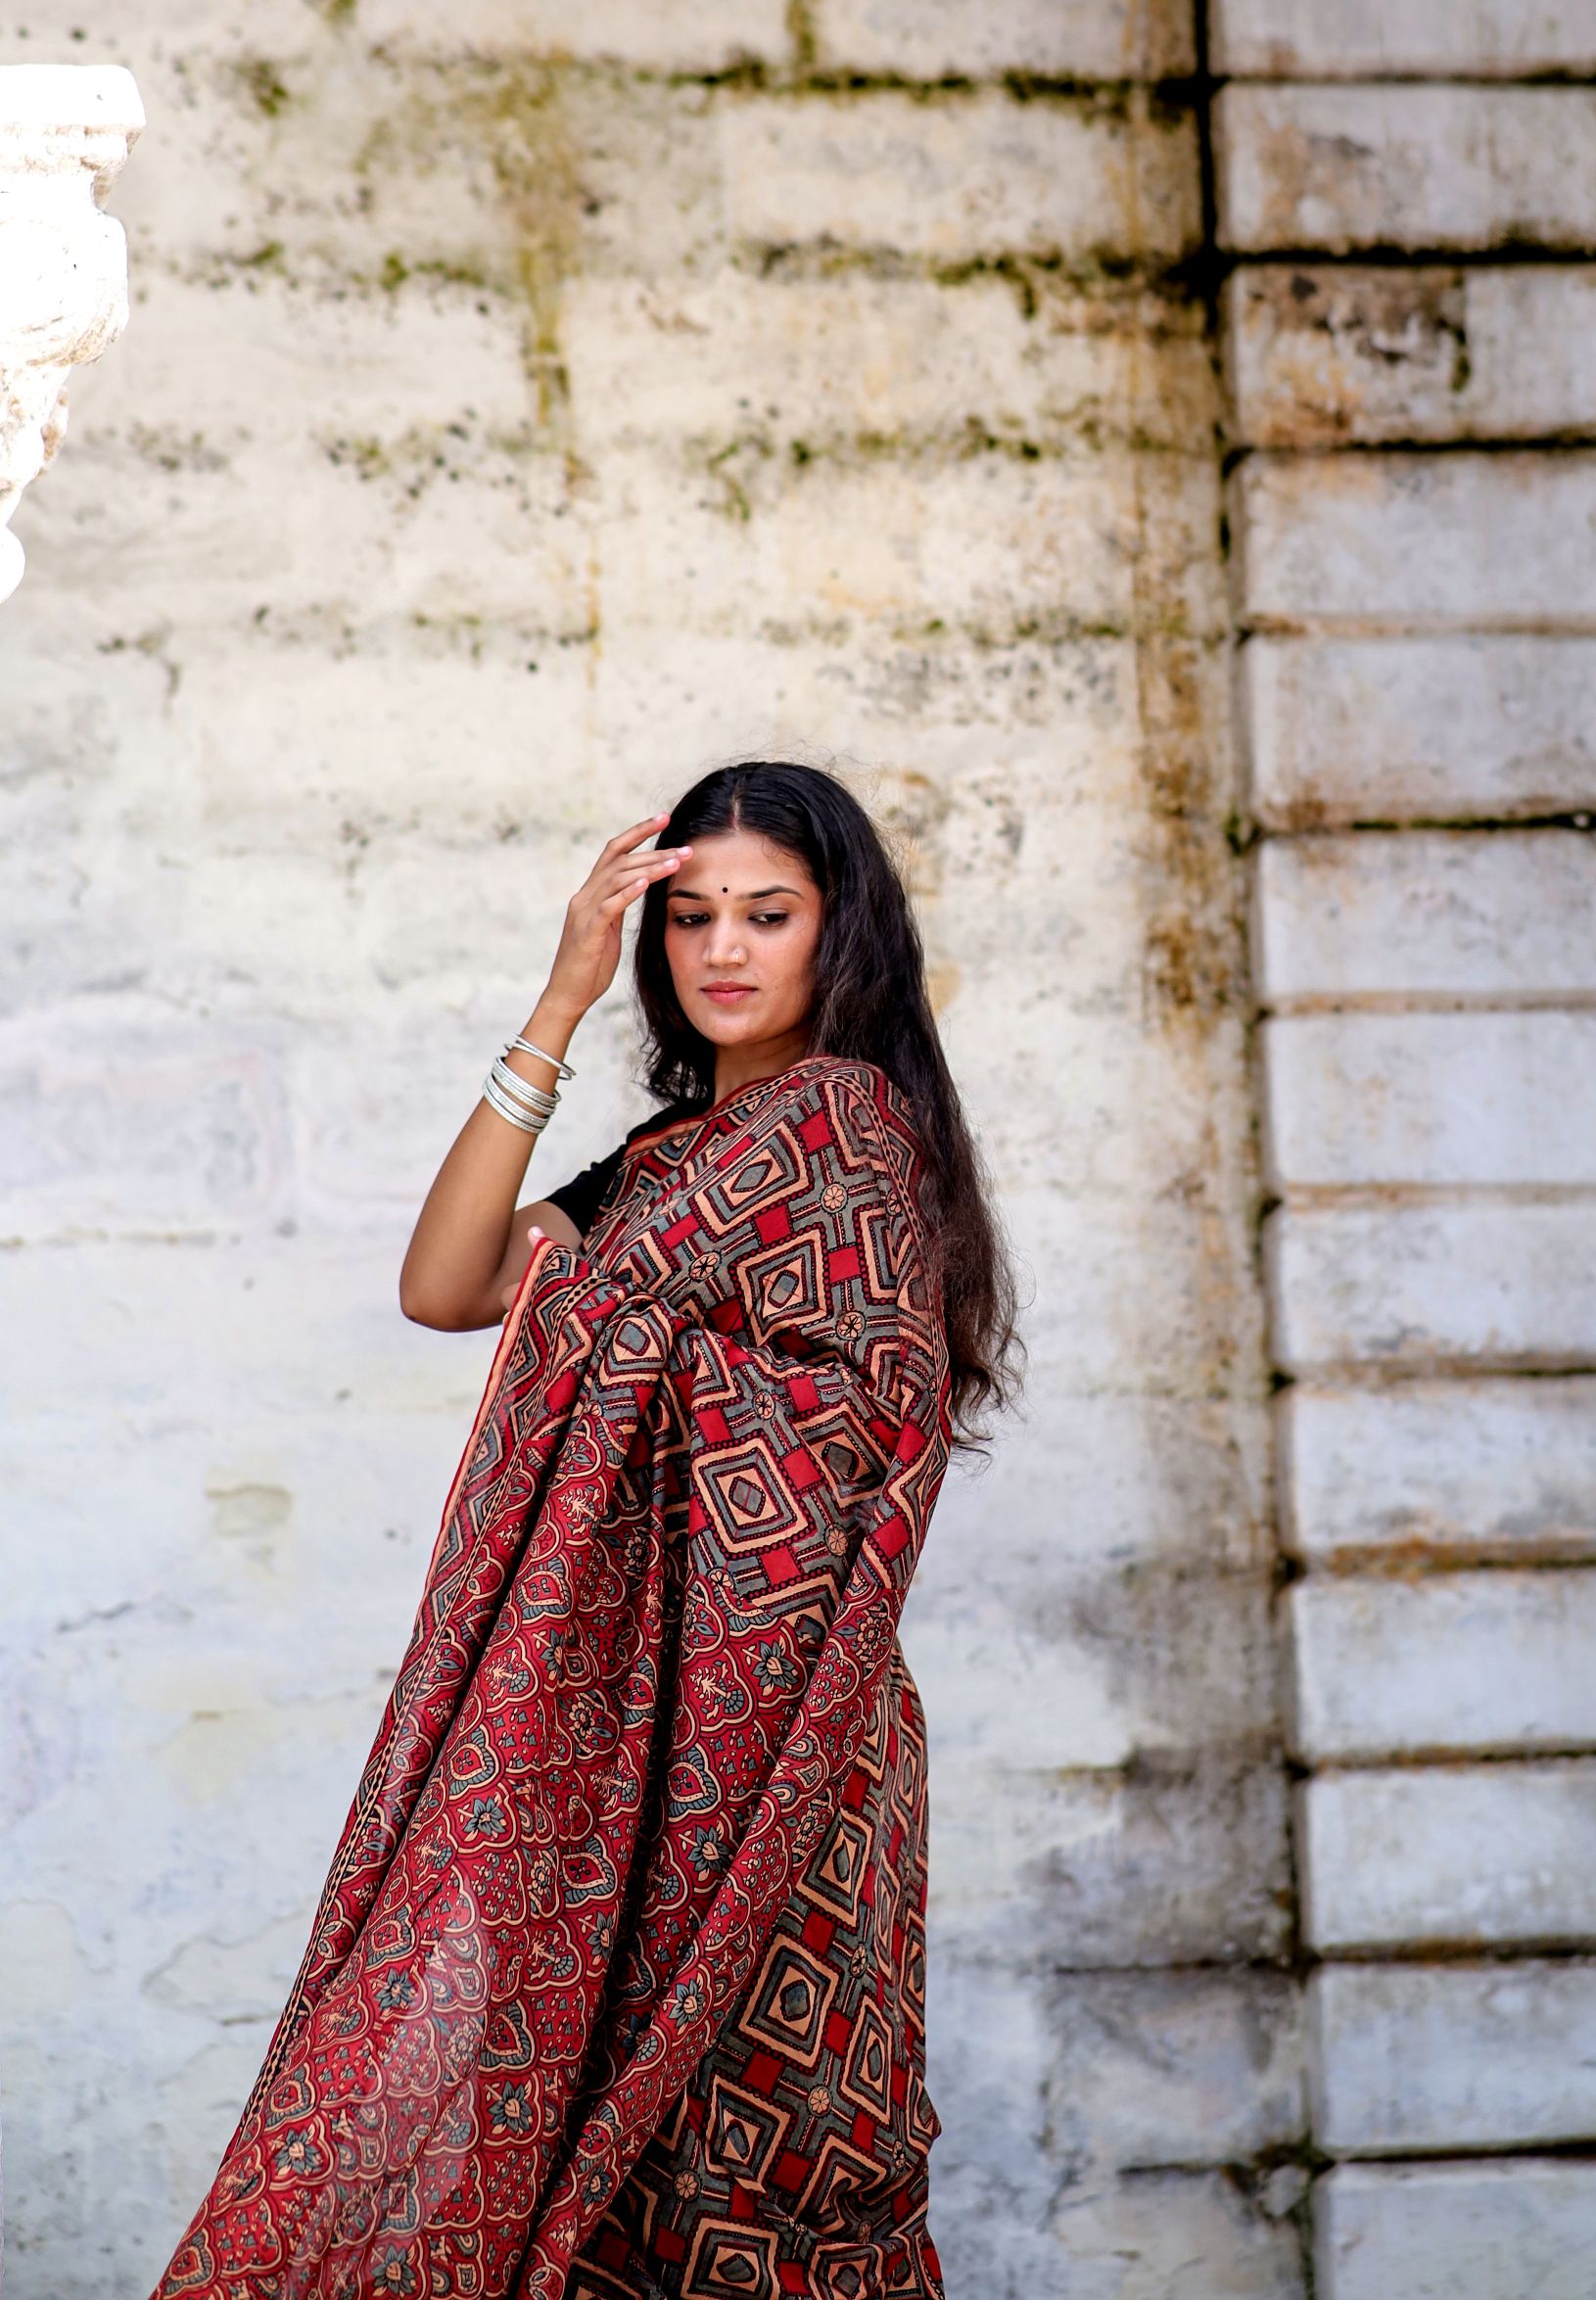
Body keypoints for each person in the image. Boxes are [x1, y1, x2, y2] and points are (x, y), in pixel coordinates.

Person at [153, 762, 1016, 2300]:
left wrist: (618, 1325)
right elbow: (447, 1283)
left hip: (786, 1743)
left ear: (843, 935)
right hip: (617, 1738)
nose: (723, 951)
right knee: (573, 2135)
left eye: (769, 913)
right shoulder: (660, 1171)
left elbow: (848, 1439)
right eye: (688, 919)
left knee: (759, 2161)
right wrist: (557, 1003)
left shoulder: (848, 1137)